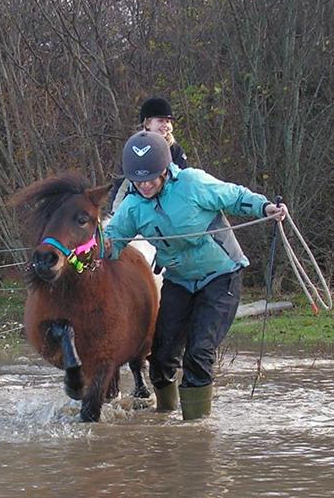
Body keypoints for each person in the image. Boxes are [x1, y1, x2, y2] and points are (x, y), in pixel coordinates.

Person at [104, 130, 288, 420]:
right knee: (161, 357)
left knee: (198, 352)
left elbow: (235, 197)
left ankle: (196, 428)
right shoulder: (132, 207)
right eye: (139, 180)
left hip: (220, 277)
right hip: (179, 281)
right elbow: (111, 242)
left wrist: (265, 207)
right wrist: (85, 255)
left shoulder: (193, 183)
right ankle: (164, 416)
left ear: (165, 170)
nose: (146, 185)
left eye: (151, 177)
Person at [109, 96, 190, 213]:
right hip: (140, 209)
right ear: (147, 123)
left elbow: (184, 181)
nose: (166, 125)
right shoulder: (135, 149)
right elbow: (122, 186)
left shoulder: (175, 150)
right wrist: (115, 214)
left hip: (172, 208)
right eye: (160, 121)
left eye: (168, 121)